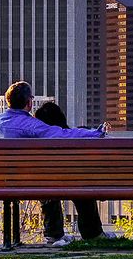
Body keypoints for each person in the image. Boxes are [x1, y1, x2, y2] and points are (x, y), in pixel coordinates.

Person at [0, 82, 118, 246]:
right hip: (37, 181)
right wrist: (96, 132)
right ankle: (92, 234)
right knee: (73, 184)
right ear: (29, 102)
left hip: (7, 182)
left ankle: (54, 235)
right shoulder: (31, 126)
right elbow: (63, 134)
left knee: (47, 182)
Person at [34, 101, 111, 245]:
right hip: (78, 183)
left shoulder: (37, 141)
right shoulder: (79, 134)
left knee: (47, 190)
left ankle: (53, 235)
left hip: (49, 184)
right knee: (82, 188)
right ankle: (92, 233)